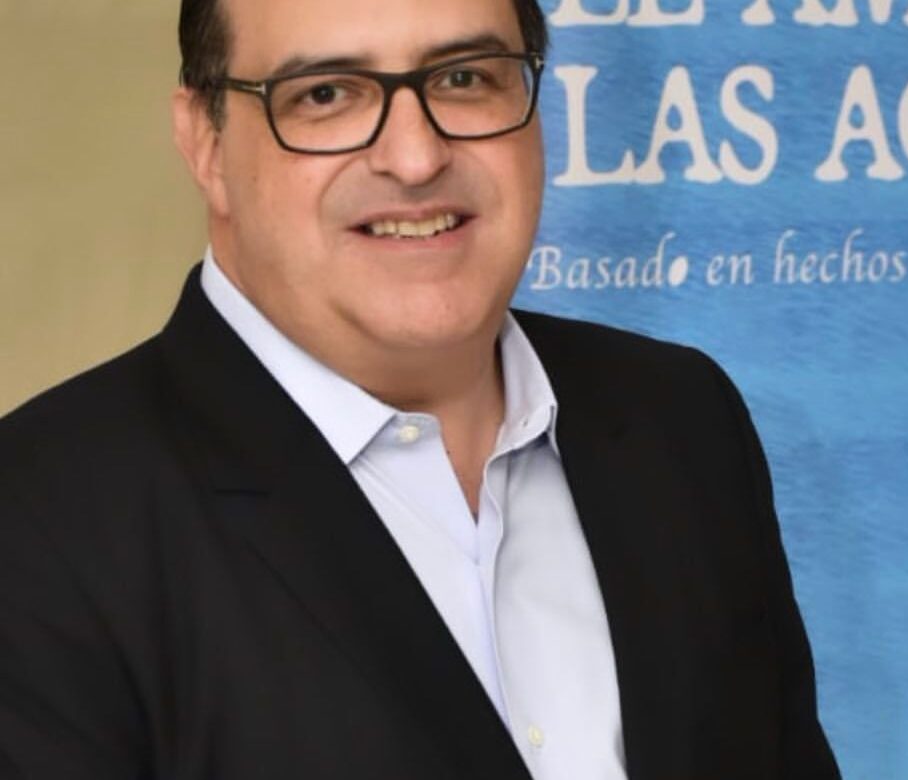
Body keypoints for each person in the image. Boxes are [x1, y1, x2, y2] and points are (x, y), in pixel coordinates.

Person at [0, 0, 840, 777]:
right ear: (206, 144)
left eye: (464, 77)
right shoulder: (37, 520)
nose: (415, 157)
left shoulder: (682, 420)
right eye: (326, 94)